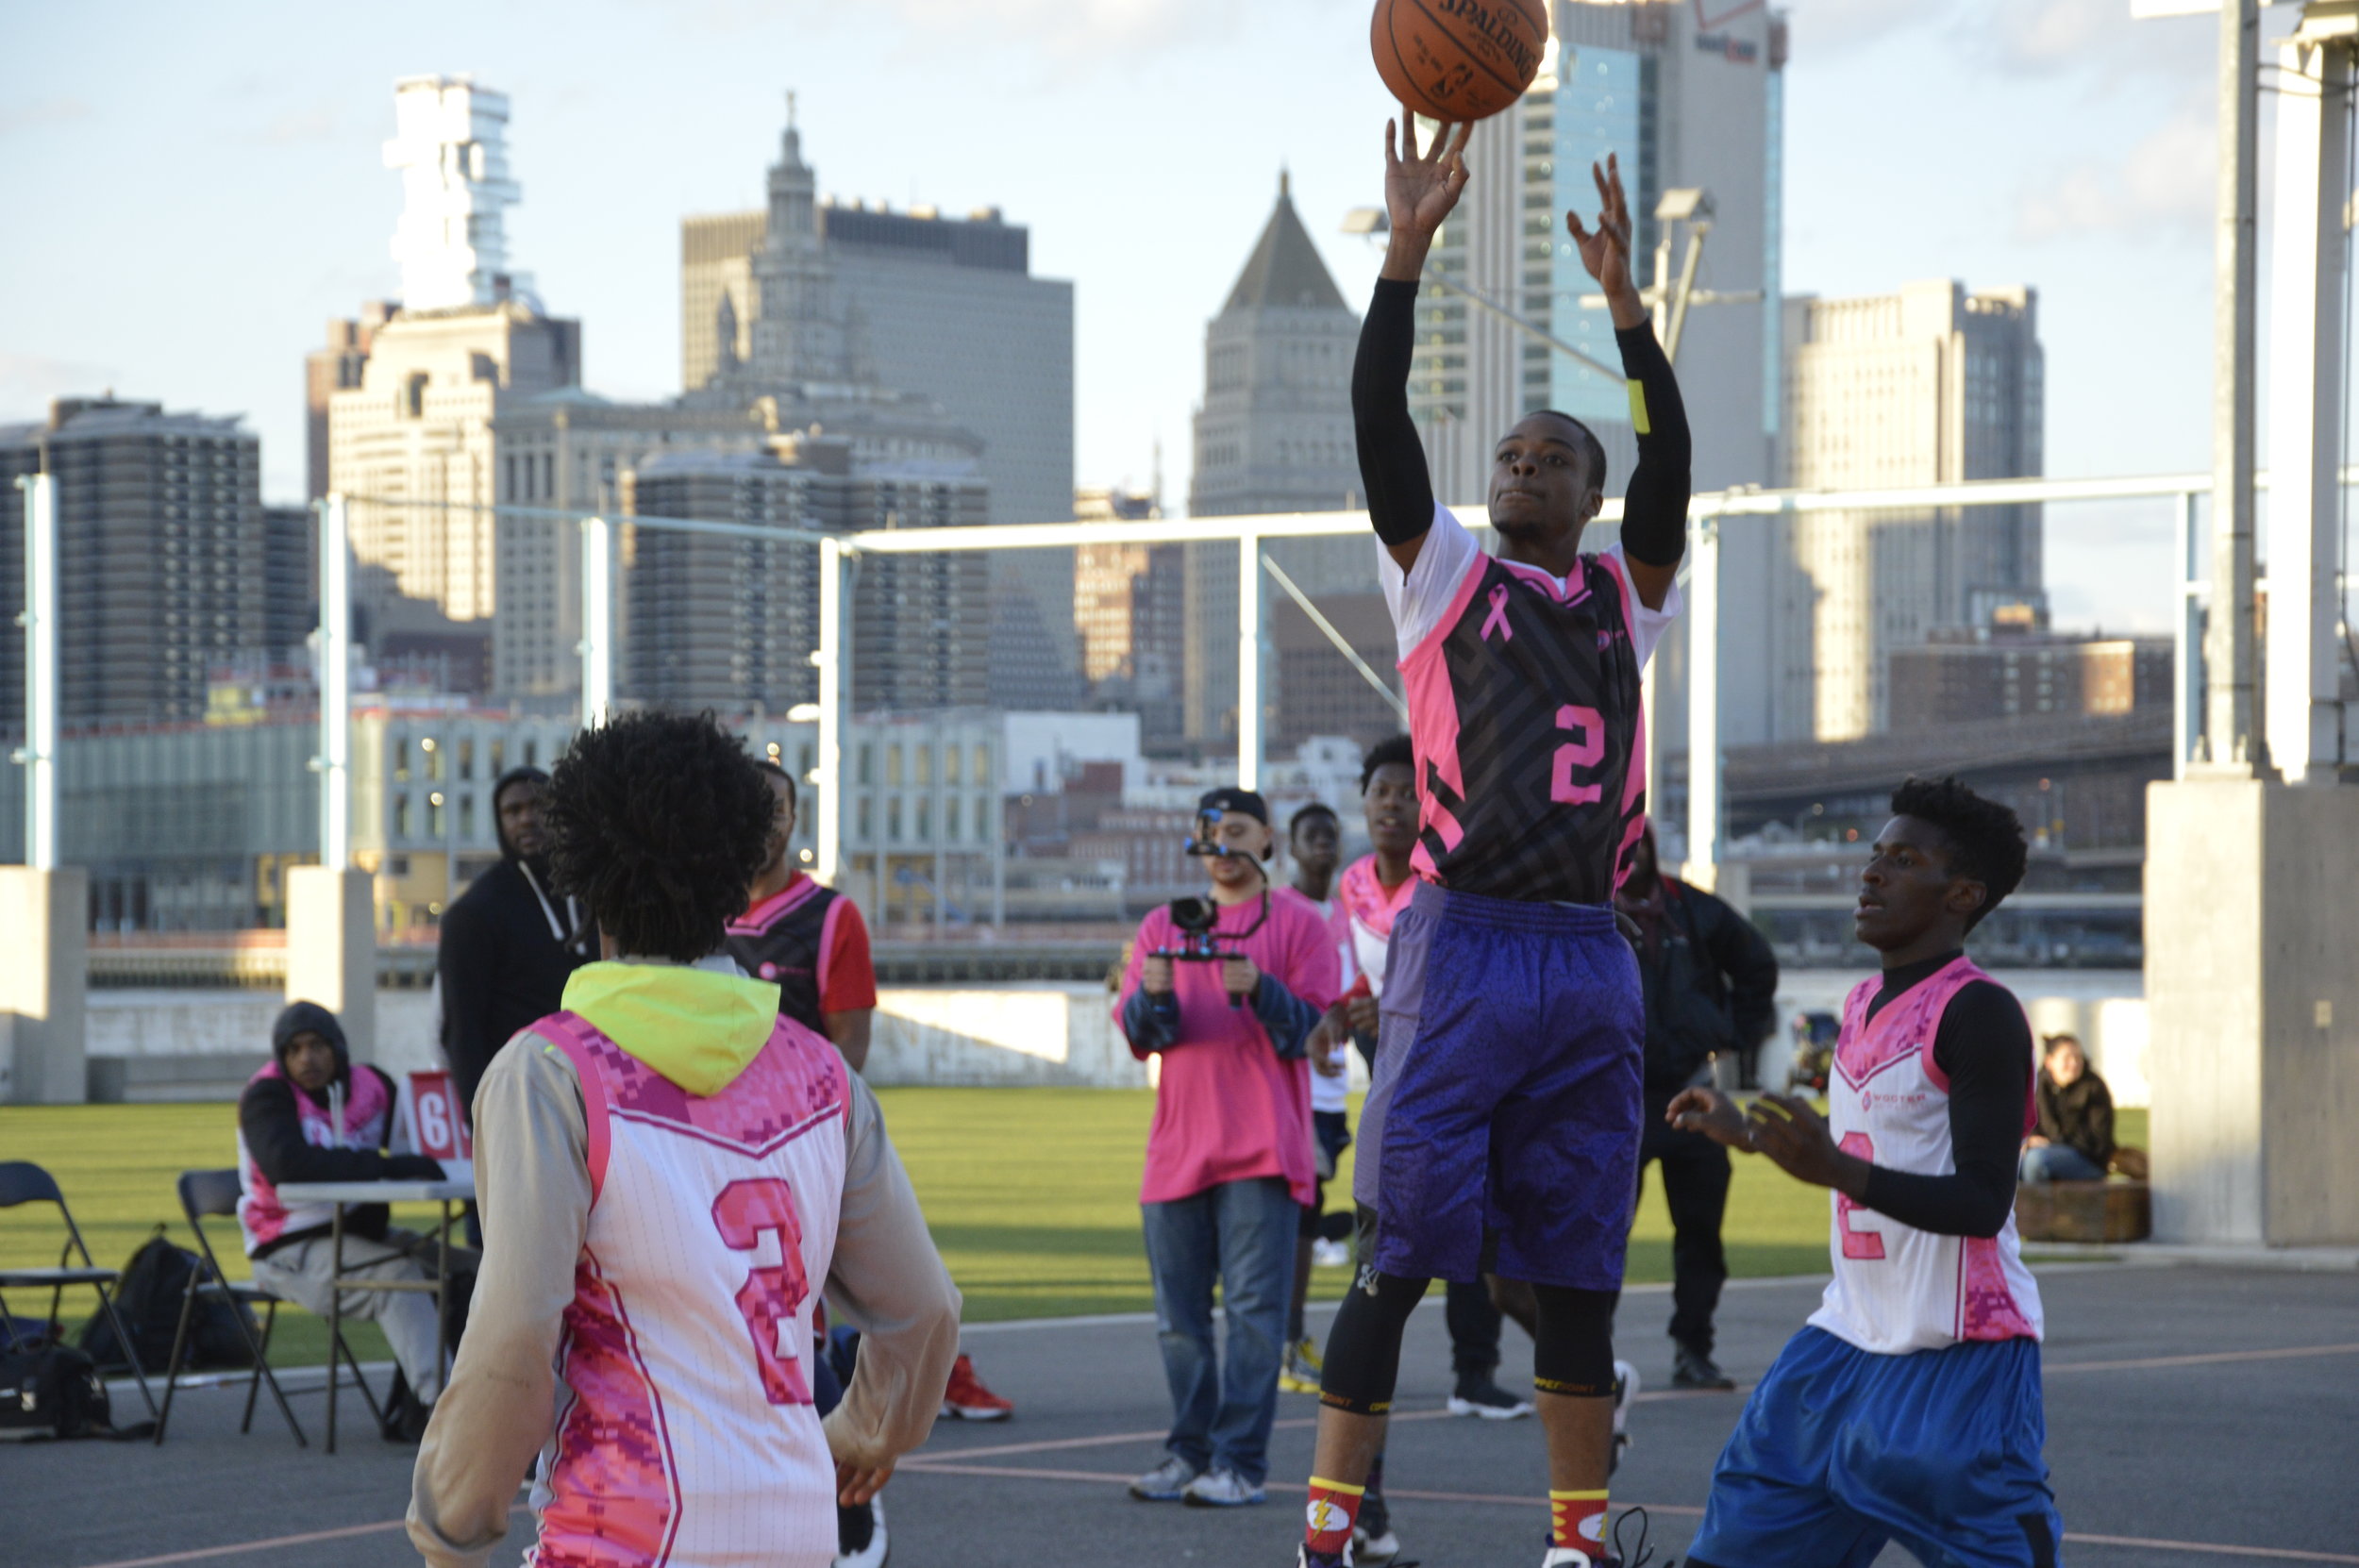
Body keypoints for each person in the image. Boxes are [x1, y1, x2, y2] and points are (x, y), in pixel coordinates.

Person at [1301, 110, 1688, 1568]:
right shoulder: (1442, 578)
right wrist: (1403, 259)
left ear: (1591, 498)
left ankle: (1579, 1540)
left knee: (1580, 1267)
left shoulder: (1627, 597)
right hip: (1459, 942)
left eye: (1554, 457)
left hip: (1589, 954)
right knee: (1401, 1253)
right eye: (1511, 453)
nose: (1523, 465)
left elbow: (1673, 462)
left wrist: (1632, 320)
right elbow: (1382, 424)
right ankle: (1331, 1530)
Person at [407, 710, 962, 1568]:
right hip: (797, 1517)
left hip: (625, 1523)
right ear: (742, 872)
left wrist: (451, 1527)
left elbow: (515, 1334)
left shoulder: (549, 1074)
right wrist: (863, 1431)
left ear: (582, 876)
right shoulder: (824, 1077)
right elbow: (923, 1308)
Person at [1667, 776, 2065, 1568]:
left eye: (1902, 859)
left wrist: (1838, 1172)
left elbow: (1984, 1203)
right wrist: (1750, 1134)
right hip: (1844, 1338)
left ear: (1962, 894)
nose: (1871, 872)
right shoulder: (1857, 1004)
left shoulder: (1978, 1012)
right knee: (1738, 1539)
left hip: (1958, 1354)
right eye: (1876, 854)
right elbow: (1871, 1144)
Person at [726, 757, 1014, 1437]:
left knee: (799, 1311)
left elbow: (847, 1051)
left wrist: (806, 1138)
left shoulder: (829, 917)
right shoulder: (695, 917)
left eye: (776, 808)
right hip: (706, 1147)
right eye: (749, 806)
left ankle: (831, 1447)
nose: (763, 822)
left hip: (793, 1149)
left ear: (795, 818)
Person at [1116, 787, 1341, 1509]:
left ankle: (1239, 1463)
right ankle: (1188, 1453)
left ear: (1267, 842)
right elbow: (1141, 1037)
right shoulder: (1163, 926)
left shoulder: (1302, 925)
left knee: (1252, 1315)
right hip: (1177, 1147)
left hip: (1263, 1149)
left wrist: (1264, 991)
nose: (1222, 845)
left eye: (1238, 831)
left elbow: (1317, 1034)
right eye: (1210, 832)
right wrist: (1152, 996)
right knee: (1176, 1319)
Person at [237, 1000, 460, 1443]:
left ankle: (418, 1413)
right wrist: (384, 1166)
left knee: (467, 1272)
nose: (307, 1058)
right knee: (399, 1278)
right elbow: (289, 1164)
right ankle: (457, 1421)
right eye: (295, 1049)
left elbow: (420, 1135)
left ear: (338, 1048)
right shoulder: (268, 1095)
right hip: (286, 1246)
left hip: (359, 1234)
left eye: (317, 1046)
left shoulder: (372, 1084)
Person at [1613, 824, 1778, 1391]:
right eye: (1620, 840)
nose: (1632, 852)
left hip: (1692, 1090)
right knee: (1604, 1233)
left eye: (1639, 839)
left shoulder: (1692, 908)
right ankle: (1588, 1353)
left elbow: (1757, 963)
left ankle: (1694, 1348)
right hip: (1617, 1098)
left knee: (1702, 1232)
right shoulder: (1590, 908)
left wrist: (1736, 1032)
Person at [437, 765, 594, 1124]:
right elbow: (462, 1030)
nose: (526, 819)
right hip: (522, 1105)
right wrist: (481, 1121)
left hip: (604, 1098)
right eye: (513, 811)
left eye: (538, 806)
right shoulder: (474, 914)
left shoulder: (597, 898)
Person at [1275, 801, 1352, 1397]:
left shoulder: (1349, 912)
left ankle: (1287, 1338)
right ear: (1291, 849)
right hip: (1295, 1088)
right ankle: (1285, 1341)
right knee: (1298, 1214)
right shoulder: (1283, 913)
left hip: (1334, 1092)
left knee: (1308, 1212)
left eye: (1330, 834)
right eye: (1311, 836)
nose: (1323, 844)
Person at [2020, 1033, 2115, 1183]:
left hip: (2088, 1159)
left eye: (2078, 1057)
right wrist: (2030, 1140)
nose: (2074, 1063)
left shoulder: (2093, 1087)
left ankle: (2039, 1206)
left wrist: (2051, 1143)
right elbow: (2028, 1122)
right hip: (2045, 1151)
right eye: (2067, 1058)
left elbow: (2097, 1141)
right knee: (2011, 1162)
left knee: (2036, 1161)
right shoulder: (2038, 1086)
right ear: (2049, 1062)